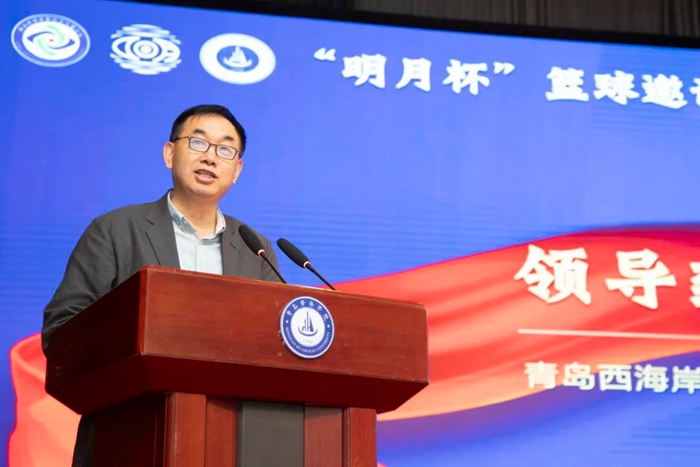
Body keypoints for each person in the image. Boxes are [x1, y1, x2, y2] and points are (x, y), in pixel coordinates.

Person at [41, 104, 282, 466]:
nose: (210, 157)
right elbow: (62, 332)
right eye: (198, 143)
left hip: (228, 441)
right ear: (170, 154)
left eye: (225, 149)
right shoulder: (115, 230)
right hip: (127, 434)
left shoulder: (255, 248)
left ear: (237, 170)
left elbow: (274, 347)